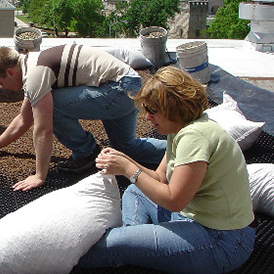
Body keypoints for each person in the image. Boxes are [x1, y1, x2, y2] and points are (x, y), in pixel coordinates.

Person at [77, 66, 255, 273]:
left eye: (153, 111)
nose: (147, 118)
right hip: (192, 219)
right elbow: (159, 178)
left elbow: (174, 201)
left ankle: (47, 262)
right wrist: (124, 159)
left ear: (174, 108)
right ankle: (132, 247)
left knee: (107, 244)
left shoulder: (195, 137)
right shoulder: (181, 129)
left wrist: (128, 169)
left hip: (221, 240)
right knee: (136, 192)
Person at [0, 44, 166, 191]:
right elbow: (23, 119)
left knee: (51, 106)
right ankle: (177, 150)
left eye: (1, 83)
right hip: (128, 85)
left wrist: (39, 175)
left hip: (117, 90)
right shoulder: (32, 64)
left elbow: (43, 128)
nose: (3, 89)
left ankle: (86, 153)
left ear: (10, 72)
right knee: (126, 149)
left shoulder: (35, 74)